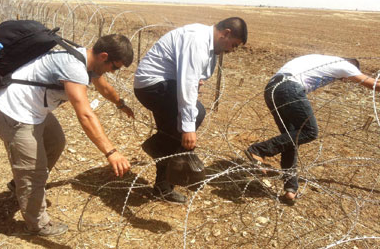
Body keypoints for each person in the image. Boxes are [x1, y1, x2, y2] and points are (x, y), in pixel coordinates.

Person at [0, 34, 134, 236]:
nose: (113, 71)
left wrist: (120, 104)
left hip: (34, 110)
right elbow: (84, 113)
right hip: (14, 111)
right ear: (104, 56)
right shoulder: (74, 67)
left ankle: (20, 186)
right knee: (34, 172)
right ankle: (38, 224)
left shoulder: (87, 60)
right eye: (115, 67)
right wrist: (111, 152)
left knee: (55, 141)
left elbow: (104, 87)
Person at [134, 17, 248, 203]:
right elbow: (186, 84)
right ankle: (157, 147)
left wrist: (197, 82)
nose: (231, 50)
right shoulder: (197, 41)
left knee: (173, 136)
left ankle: (162, 186)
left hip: (163, 84)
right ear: (225, 33)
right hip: (152, 86)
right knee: (195, 115)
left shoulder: (208, 44)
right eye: (233, 45)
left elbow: (193, 76)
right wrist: (189, 127)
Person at [245, 54, 380, 205]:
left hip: (272, 89)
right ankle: (259, 150)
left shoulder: (322, 60)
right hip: (289, 88)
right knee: (309, 131)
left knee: (290, 139)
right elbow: (374, 84)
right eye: (347, 77)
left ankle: (290, 189)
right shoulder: (345, 65)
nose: (344, 80)